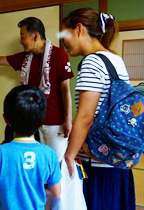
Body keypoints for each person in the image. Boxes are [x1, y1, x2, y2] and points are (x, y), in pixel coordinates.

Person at [0, 17, 74, 162]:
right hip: (32, 123)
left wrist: (68, 119)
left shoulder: (59, 55)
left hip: (55, 122)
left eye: (22, 36)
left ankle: (55, 186)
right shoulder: (26, 58)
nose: (20, 41)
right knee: (37, 163)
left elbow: (65, 89)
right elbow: (0, 60)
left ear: (35, 35)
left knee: (56, 163)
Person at [61, 8, 136, 210]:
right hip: (116, 156)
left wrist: (69, 155)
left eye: (64, 35)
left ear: (79, 29)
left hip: (97, 160)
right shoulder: (114, 58)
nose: (63, 42)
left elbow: (85, 117)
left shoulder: (92, 62)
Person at [0, 85, 62, 210]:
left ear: (6, 119)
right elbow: (56, 193)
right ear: (42, 120)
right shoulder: (49, 154)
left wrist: (3, 187)